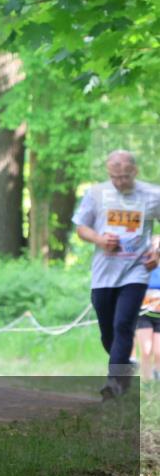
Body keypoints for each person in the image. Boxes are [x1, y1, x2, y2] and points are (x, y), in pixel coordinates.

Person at [73, 150, 160, 398]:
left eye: (125, 177)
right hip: (104, 273)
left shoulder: (152, 195)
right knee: (108, 330)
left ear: (135, 171)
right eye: (115, 177)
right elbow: (81, 228)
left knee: (123, 324)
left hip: (136, 270)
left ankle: (113, 383)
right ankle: (124, 369)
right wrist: (100, 240)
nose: (120, 182)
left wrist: (157, 253)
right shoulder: (97, 194)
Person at [136, 264, 160, 382]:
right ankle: (147, 381)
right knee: (146, 350)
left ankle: (157, 377)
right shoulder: (143, 268)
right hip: (144, 314)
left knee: (158, 352)